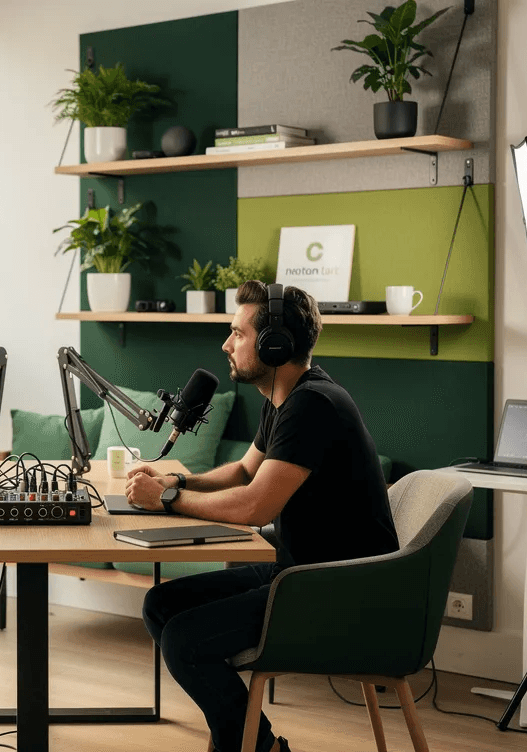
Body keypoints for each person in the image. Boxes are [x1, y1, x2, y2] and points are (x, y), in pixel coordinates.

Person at [124, 281, 399, 752]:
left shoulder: (312, 406)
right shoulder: (287, 397)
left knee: (185, 641)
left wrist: (164, 503)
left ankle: (255, 745)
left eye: (238, 333)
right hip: (301, 572)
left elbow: (255, 506)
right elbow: (245, 470)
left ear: (276, 344)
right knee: (161, 605)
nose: (226, 343)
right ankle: (249, 739)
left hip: (338, 591)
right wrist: (177, 481)